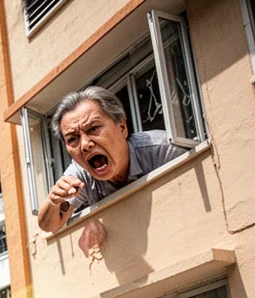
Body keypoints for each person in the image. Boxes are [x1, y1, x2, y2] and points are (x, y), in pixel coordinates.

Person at [37, 86, 187, 236]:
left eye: (93, 128)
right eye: (73, 139)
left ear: (122, 128)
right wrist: (54, 200)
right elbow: (49, 225)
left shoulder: (162, 149)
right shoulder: (80, 174)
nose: (84, 145)